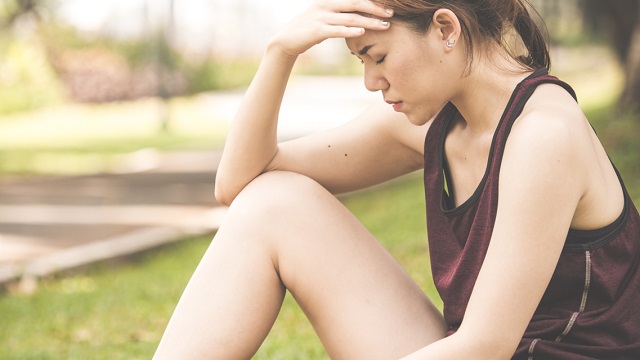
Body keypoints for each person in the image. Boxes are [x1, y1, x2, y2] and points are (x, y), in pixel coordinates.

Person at [154, 0, 640, 358]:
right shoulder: (438, 125)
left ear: (445, 28)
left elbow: (485, 346)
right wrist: (280, 53)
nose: (371, 81)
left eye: (378, 57)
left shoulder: (543, 136)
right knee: (275, 202)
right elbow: (240, 185)